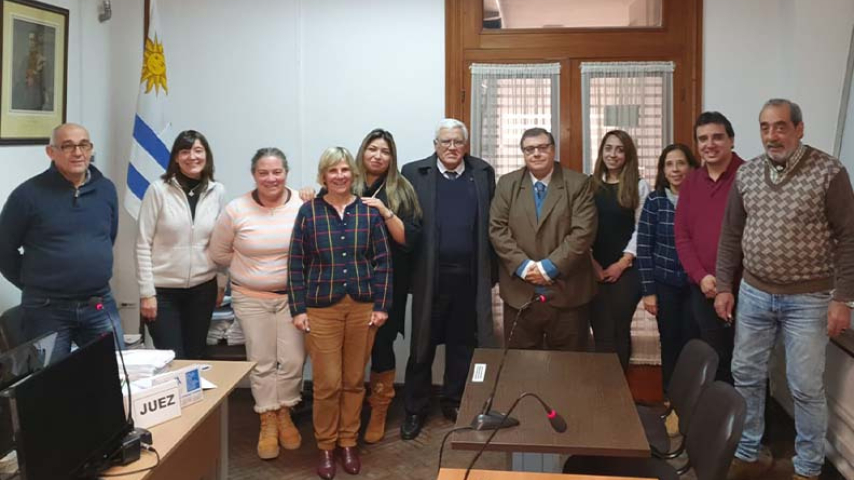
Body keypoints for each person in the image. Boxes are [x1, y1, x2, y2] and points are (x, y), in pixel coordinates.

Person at [716, 99, 854, 480]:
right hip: (755, 293)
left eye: (780, 126)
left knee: (805, 386)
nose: (772, 135)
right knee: (746, 372)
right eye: (765, 127)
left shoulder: (829, 172)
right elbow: (730, 234)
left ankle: (808, 467)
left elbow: (849, 237)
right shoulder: (747, 174)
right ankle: (749, 451)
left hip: (809, 300)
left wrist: (842, 299)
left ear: (799, 129)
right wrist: (724, 286)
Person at [287, 147, 392, 480]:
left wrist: (381, 306)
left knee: (354, 381)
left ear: (353, 174)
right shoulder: (309, 212)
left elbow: (383, 262)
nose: (340, 176)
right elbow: (295, 263)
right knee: (327, 383)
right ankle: (326, 446)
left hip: (362, 308)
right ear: (323, 176)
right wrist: (298, 309)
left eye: (345, 170)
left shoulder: (368, 213)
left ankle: (348, 442)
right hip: (321, 309)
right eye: (333, 170)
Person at [400, 119, 497, 440]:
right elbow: (404, 222)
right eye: (446, 142)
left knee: (462, 345)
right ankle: (415, 408)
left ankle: (454, 401)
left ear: (465, 145)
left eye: (457, 142)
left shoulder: (482, 172)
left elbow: (491, 224)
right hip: (429, 277)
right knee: (422, 345)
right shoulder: (414, 173)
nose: (452, 147)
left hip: (469, 277)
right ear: (435, 145)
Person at [209, 148, 305, 460]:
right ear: (254, 175)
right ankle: (268, 417)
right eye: (263, 173)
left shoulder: (303, 205)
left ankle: (285, 411)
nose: (271, 178)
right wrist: (250, 269)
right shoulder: (236, 210)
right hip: (250, 298)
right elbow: (219, 253)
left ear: (286, 173)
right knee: (262, 361)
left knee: (292, 360)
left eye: (277, 172)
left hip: (293, 298)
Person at [0, 123, 124, 358]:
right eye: (67, 146)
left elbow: (108, 237)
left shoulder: (106, 190)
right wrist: (34, 283)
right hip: (46, 308)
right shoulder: (27, 195)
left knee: (115, 370)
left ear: (90, 149)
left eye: (83, 145)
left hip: (98, 302)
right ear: (51, 152)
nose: (77, 153)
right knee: (52, 378)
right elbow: (4, 250)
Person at [489, 127, 597, 350]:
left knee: (570, 366)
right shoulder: (507, 184)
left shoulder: (578, 183)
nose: (536, 153)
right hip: (520, 295)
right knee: (521, 366)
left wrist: (548, 268)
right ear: (523, 153)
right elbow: (497, 229)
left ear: (553, 150)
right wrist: (525, 267)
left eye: (542, 147)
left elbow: (583, 233)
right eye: (529, 149)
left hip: (568, 295)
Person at [352, 129, 422, 443]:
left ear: (392, 158)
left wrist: (385, 211)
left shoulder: (401, 189)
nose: (378, 156)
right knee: (349, 350)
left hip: (388, 284)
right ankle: (350, 411)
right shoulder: (344, 181)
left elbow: (409, 239)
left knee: (382, 346)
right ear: (362, 151)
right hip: (348, 285)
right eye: (373, 149)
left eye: (385, 151)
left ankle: (379, 408)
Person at [135, 130, 225, 360]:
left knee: (196, 356)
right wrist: (146, 293)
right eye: (185, 151)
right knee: (173, 358)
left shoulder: (217, 191)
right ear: (176, 157)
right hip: (163, 292)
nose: (192, 157)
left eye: (198, 150)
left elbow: (221, 241)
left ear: (207, 155)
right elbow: (143, 244)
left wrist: (221, 282)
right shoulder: (158, 190)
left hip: (203, 289)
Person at [674, 112, 745, 384]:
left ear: (731, 140)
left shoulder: (748, 175)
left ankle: (748, 413)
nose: (710, 144)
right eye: (703, 139)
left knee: (747, 362)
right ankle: (719, 411)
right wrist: (701, 276)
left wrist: (726, 283)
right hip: (703, 286)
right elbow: (682, 236)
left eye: (717, 137)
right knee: (715, 357)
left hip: (744, 288)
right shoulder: (691, 181)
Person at [637, 143, 699, 395]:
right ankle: (670, 398)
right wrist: (648, 292)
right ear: (663, 170)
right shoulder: (655, 200)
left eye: (681, 163)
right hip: (665, 285)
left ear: (691, 167)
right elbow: (644, 246)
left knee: (694, 344)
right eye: (669, 164)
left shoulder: (700, 199)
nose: (675, 169)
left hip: (696, 285)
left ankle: (693, 399)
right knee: (670, 342)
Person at [589, 130, 650, 371]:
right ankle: (602, 385)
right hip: (593, 267)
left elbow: (642, 228)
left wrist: (623, 263)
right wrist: (591, 262)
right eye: (608, 148)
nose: (613, 154)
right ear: (601, 152)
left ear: (628, 155)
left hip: (627, 269)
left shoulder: (639, 185)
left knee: (618, 327)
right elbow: (582, 227)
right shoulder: (590, 185)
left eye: (620, 149)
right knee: (600, 329)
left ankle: (619, 385)